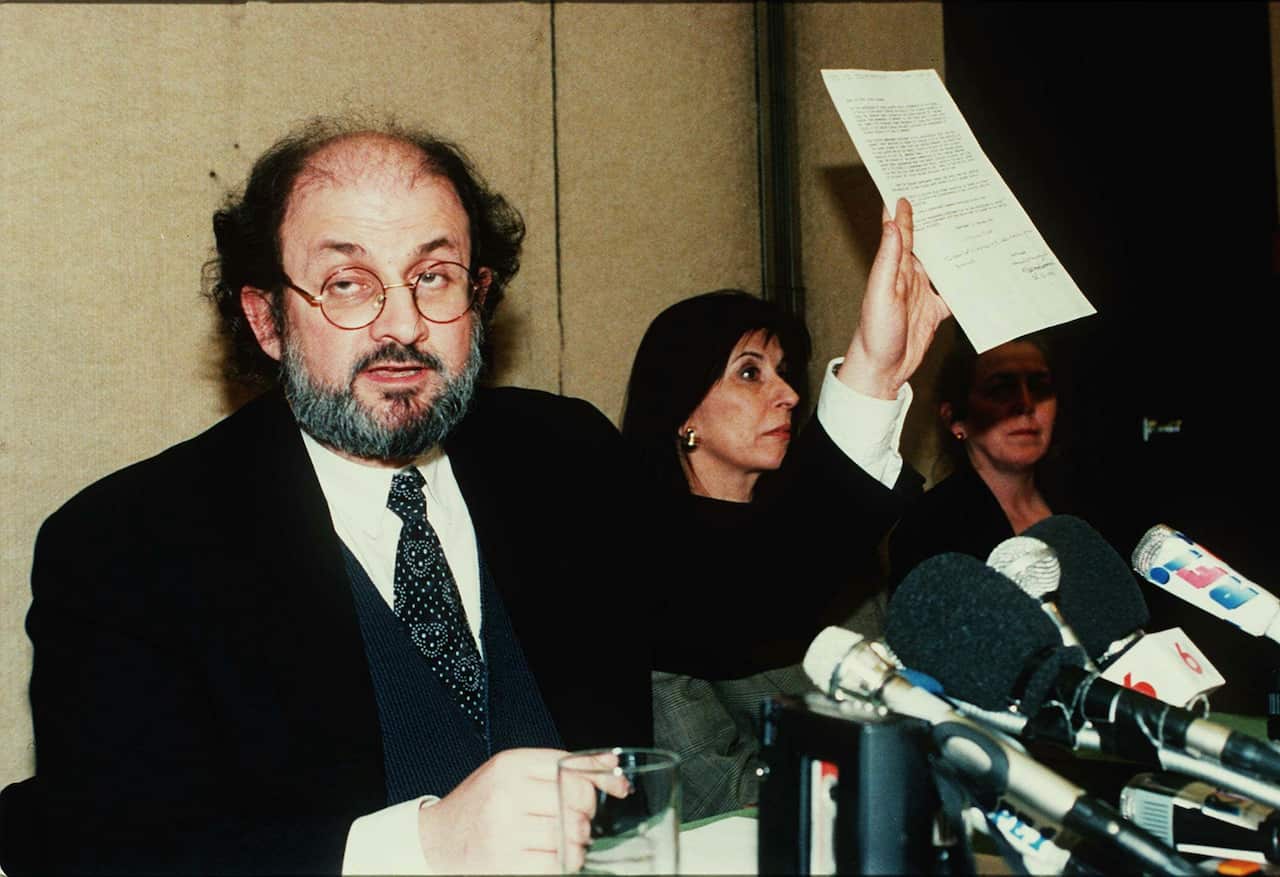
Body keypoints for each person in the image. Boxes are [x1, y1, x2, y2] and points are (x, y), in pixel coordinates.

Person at [0, 115, 949, 875]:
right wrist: (421, 845)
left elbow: (752, 599)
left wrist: (871, 375)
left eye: (434, 276)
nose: (403, 324)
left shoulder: (558, 453)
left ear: (479, 296)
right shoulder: (130, 541)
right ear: (267, 318)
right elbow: (110, 844)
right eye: (347, 283)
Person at [621, 291, 913, 820]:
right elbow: (710, 788)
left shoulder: (826, 540)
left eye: (784, 372)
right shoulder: (646, 571)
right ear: (683, 411)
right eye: (750, 373)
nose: (790, 395)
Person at [887, 332, 1063, 589]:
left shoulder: (1086, 503)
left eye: (1039, 387)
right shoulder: (929, 528)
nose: (1025, 404)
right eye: (1001, 389)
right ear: (955, 420)